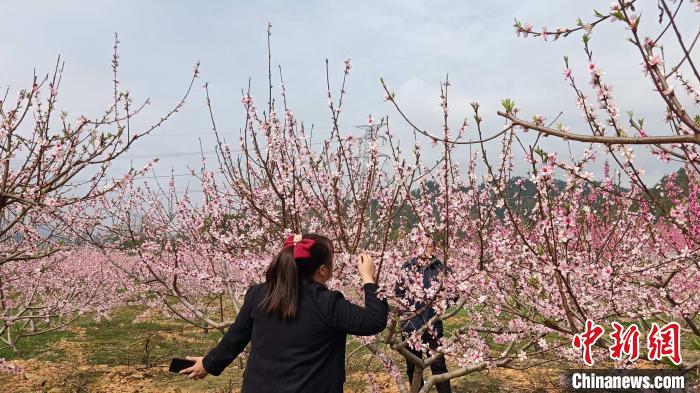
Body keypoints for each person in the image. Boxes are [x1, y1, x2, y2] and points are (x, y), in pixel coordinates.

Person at [179, 233, 388, 393]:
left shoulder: (259, 294)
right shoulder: (328, 303)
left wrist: (208, 364)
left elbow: (236, 337)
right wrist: (369, 279)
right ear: (323, 270)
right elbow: (374, 320)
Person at [395, 234, 452, 393]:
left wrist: (440, 306)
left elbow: (454, 293)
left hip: (433, 324)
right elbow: (398, 293)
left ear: (434, 247)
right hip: (410, 325)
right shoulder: (407, 267)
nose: (426, 249)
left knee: (439, 365)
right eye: (423, 245)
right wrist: (410, 310)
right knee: (413, 368)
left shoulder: (441, 268)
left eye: (429, 245)